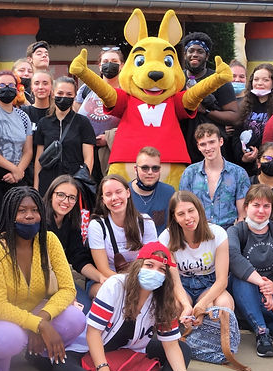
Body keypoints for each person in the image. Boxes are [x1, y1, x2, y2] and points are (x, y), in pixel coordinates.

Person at [0, 186, 86, 371]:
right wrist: (39, 325)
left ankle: (39, 355)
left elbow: (68, 289)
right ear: (10, 214)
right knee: (9, 339)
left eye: (35, 210)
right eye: (22, 210)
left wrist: (42, 319)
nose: (29, 216)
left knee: (76, 319)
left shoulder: (49, 240)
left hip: (36, 308)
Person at [53, 242, 192, 371]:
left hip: (127, 351)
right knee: (62, 366)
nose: (155, 272)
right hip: (89, 348)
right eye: (149, 265)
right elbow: (93, 333)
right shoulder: (115, 285)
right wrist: (103, 369)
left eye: (161, 269)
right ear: (138, 266)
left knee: (182, 349)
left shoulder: (164, 298)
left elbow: (171, 346)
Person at [227, 184, 273, 357]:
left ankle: (252, 319)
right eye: (256, 205)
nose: (261, 210)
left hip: (272, 292)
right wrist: (262, 284)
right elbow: (235, 259)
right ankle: (261, 332)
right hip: (244, 290)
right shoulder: (235, 231)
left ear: (272, 209)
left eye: (266, 206)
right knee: (242, 278)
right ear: (246, 207)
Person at [159, 191, 235, 326]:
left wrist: (202, 304)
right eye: (181, 214)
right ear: (174, 217)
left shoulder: (218, 233)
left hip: (209, 283)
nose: (188, 218)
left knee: (224, 306)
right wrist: (186, 306)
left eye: (191, 211)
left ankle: (217, 338)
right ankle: (180, 336)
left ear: (199, 210)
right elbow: (174, 281)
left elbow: (222, 280)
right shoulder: (166, 238)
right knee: (173, 307)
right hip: (182, 284)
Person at [179, 32, 239, 163]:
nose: (195, 54)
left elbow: (234, 116)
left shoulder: (218, 80)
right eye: (191, 51)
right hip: (181, 148)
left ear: (207, 56)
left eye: (200, 51)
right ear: (184, 54)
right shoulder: (176, 80)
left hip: (210, 150)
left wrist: (206, 111)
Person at [178, 123, 250, 229]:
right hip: (198, 230)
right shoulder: (189, 173)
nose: (208, 148)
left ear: (221, 141)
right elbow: (184, 208)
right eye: (203, 144)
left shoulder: (239, 173)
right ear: (198, 147)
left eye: (212, 142)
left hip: (229, 231)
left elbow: (242, 216)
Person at [0, 70, 34, 219]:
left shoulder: (23, 116)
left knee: (19, 218)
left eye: (11, 85)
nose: (7, 88)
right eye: (2, 85)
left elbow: (28, 151)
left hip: (18, 175)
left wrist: (18, 171)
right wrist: (13, 169)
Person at [89, 175, 159, 280]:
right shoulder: (97, 225)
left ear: (128, 193)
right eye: (108, 194)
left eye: (118, 192)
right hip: (109, 279)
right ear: (103, 200)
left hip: (141, 278)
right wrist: (128, 283)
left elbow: (151, 261)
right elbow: (104, 270)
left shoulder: (145, 222)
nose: (114, 198)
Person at [44, 175, 98, 309]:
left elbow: (79, 258)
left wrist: (102, 278)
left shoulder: (71, 223)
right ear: (51, 195)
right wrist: (66, 296)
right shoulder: (38, 220)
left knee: (86, 307)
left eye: (71, 197)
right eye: (61, 195)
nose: (66, 201)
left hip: (61, 280)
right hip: (39, 282)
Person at [34, 76, 95, 191]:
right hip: (48, 181)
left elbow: (89, 158)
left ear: (74, 96)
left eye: (69, 94)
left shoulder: (83, 122)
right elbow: (39, 159)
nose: (64, 97)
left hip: (74, 180)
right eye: (60, 93)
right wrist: (36, 187)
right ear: (53, 94)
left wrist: (82, 182)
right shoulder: (44, 123)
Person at [74, 46, 123, 180]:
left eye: (114, 61)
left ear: (122, 66)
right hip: (84, 150)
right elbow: (75, 114)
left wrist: (109, 137)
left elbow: (133, 123)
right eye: (105, 62)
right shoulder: (87, 88)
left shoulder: (126, 91)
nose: (109, 65)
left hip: (110, 153)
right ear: (100, 66)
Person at [236, 63, 273, 173]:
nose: (259, 83)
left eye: (265, 80)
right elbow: (236, 134)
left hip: (269, 164)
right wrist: (242, 157)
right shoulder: (243, 106)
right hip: (245, 166)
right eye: (256, 79)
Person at [130, 146, 176, 234]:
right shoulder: (124, 193)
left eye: (155, 168)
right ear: (136, 169)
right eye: (145, 168)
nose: (150, 172)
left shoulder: (169, 192)